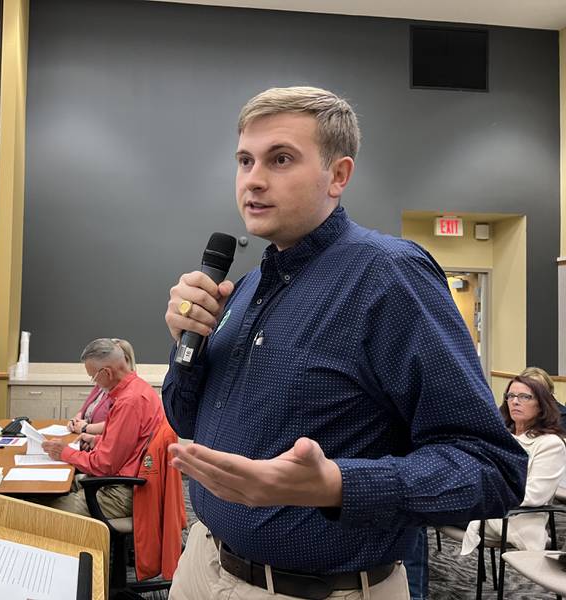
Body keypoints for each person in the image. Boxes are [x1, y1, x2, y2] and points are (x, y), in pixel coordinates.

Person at [161, 86, 528, 599]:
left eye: (280, 159)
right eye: (244, 161)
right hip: (203, 563)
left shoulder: (388, 276)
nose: (254, 180)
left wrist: (336, 485)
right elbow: (185, 419)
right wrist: (187, 346)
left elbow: (492, 469)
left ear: (338, 175)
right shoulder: (244, 289)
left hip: (317, 589)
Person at [41, 338, 161, 518]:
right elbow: (128, 444)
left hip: (119, 492)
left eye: (94, 377)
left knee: (42, 509)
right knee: (49, 489)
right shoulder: (136, 389)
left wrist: (64, 452)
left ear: (107, 373)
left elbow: (104, 465)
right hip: (121, 481)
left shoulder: (128, 403)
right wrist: (97, 440)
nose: (94, 383)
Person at [460, 375, 566, 554]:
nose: (515, 402)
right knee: (428, 508)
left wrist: (485, 490)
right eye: (510, 396)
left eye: (525, 397)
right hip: (489, 508)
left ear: (541, 405)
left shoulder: (550, 444)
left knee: (427, 511)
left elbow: (534, 495)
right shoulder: (506, 436)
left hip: (515, 519)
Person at [67, 338, 136, 441]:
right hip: (89, 439)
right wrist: (76, 420)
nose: (94, 380)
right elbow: (85, 409)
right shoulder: (101, 384)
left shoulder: (130, 394)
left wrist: (85, 428)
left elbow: (116, 426)